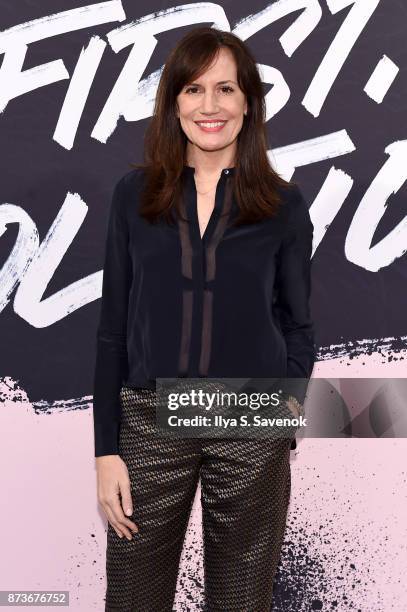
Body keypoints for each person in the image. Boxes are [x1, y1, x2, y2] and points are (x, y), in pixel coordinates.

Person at [93, 26, 316, 612]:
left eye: (225, 89)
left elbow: (298, 325)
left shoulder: (283, 204)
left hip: (250, 419)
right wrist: (105, 451)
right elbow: (113, 328)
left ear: (248, 101)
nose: (210, 106)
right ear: (173, 103)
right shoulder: (133, 195)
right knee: (134, 602)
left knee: (242, 602)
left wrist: (280, 424)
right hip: (149, 422)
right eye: (193, 90)